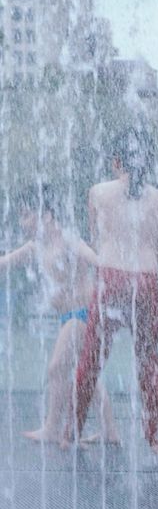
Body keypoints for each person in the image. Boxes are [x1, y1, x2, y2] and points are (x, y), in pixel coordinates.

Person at [69, 127, 158, 455]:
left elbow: (96, 238)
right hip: (146, 278)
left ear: (116, 161)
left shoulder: (98, 192)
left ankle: (71, 429)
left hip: (111, 276)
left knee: (92, 358)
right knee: (149, 360)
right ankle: (155, 436)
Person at [0, 185, 117, 445]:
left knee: (56, 369)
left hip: (83, 314)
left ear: (48, 216)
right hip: (70, 317)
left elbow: (98, 261)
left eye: (28, 215)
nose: (23, 222)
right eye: (22, 216)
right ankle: (111, 432)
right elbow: (4, 262)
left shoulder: (68, 239)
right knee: (86, 375)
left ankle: (53, 428)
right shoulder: (36, 245)